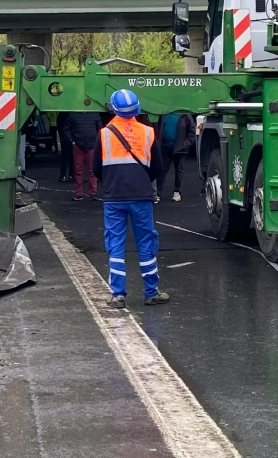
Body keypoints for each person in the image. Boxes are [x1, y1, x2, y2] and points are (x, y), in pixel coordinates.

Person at [96, 89, 169, 307]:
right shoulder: (148, 132)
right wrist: (142, 182)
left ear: (113, 109)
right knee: (146, 242)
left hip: (114, 197)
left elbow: (95, 168)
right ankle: (151, 292)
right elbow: (158, 166)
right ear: (137, 109)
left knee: (115, 243)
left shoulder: (104, 133)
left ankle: (118, 295)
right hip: (141, 196)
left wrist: (110, 183)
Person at [61, 109, 102, 201]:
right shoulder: (92, 113)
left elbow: (100, 129)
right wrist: (72, 141)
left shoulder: (92, 113)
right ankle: (81, 193)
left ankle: (90, 193)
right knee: (79, 170)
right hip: (80, 145)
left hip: (89, 145)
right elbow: (66, 129)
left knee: (88, 170)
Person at [154, 110, 193, 202]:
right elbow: (157, 128)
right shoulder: (163, 113)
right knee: (162, 170)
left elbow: (192, 131)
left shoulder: (184, 114)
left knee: (179, 170)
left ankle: (177, 192)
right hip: (164, 147)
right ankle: (157, 193)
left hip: (179, 148)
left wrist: (185, 144)